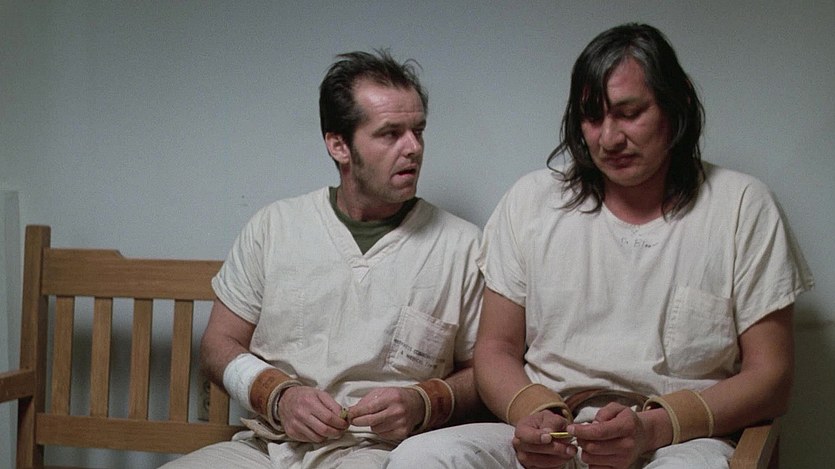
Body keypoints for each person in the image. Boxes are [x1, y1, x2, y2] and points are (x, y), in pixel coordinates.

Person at [385, 23, 814, 469]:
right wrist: (533, 413)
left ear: (679, 102)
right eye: (592, 117)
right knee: (421, 458)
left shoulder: (742, 206)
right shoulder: (532, 200)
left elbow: (772, 378)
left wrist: (652, 428)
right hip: (553, 428)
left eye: (630, 113)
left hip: (678, 441)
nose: (609, 138)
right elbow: (495, 350)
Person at [161, 49, 485, 469]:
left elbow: (486, 373)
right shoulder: (275, 227)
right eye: (390, 134)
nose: (414, 148)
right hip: (269, 446)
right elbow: (217, 345)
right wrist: (279, 396)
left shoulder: (462, 246)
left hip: (383, 453)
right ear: (338, 145)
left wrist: (424, 401)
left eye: (418, 131)